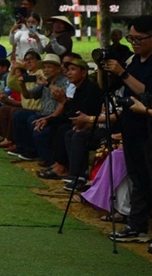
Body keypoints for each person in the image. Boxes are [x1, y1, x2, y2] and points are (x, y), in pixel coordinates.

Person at [102, 16, 152, 252]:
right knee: (137, 177)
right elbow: (109, 88)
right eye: (131, 38)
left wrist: (123, 73)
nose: (134, 43)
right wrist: (104, 69)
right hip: (131, 127)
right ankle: (137, 225)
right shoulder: (132, 59)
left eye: (139, 39)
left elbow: (151, 94)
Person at [42, 55, 105, 184]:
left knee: (71, 132)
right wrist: (49, 119)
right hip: (85, 123)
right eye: (68, 70)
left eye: (72, 69)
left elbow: (80, 114)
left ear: (83, 72)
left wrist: (64, 101)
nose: (68, 73)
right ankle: (63, 166)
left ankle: (77, 174)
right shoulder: (79, 90)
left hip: (96, 124)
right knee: (62, 129)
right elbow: (72, 114)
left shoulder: (91, 89)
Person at [6, 53, 68, 163]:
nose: (46, 70)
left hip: (57, 116)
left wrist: (47, 84)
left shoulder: (64, 81)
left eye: (49, 67)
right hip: (42, 113)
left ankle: (46, 158)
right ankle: (26, 148)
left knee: (33, 120)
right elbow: (29, 95)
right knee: (18, 115)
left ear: (58, 69)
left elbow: (62, 95)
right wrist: (22, 86)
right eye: (44, 67)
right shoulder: (45, 80)